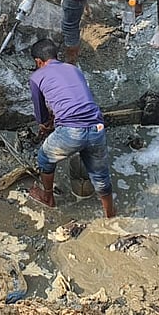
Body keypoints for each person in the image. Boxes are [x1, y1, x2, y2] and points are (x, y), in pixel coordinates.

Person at [27, 38, 116, 218]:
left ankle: (48, 198)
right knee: (100, 176)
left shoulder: (36, 77)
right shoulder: (73, 69)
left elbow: (41, 115)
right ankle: (110, 213)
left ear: (38, 61)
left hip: (72, 131)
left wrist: (45, 125)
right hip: (96, 127)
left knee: (44, 158)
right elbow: (77, 98)